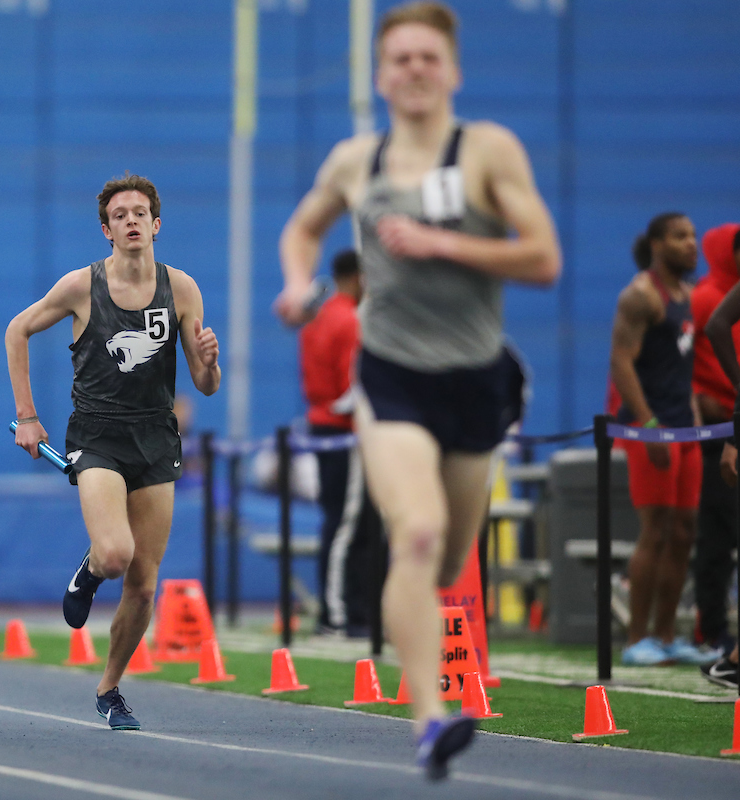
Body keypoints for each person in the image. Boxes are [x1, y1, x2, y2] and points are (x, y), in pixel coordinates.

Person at [274, 1, 560, 779]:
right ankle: (431, 720)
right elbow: (302, 228)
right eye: (399, 58)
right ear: (380, 74)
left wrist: (442, 243)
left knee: (442, 563)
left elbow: (543, 259)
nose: (414, 70)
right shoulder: (354, 161)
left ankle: (425, 666)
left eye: (428, 57)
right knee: (419, 533)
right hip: (391, 374)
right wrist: (299, 283)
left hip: (473, 379)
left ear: (453, 70)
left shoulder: (487, 152)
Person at [5, 173, 220, 731]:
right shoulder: (82, 286)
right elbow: (17, 329)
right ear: (106, 230)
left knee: (145, 581)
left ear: (155, 225)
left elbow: (204, 384)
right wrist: (28, 416)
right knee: (117, 554)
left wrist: (210, 360)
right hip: (98, 434)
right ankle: (91, 567)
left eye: (140, 212)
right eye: (120, 214)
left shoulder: (184, 290)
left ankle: (110, 689)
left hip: (155, 436)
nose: (131, 220)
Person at [607, 212, 713, 667]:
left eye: (692, 235)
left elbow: (681, 369)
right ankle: (635, 640)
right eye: (680, 236)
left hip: (684, 428)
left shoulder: (690, 297)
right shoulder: (640, 296)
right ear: (656, 244)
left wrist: (689, 417)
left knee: (684, 530)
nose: (692, 244)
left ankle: (667, 635)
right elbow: (621, 362)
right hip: (647, 428)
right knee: (656, 530)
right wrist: (649, 426)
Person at [299, 249, 380, 638]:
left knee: (347, 521)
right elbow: (351, 390)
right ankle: (336, 614)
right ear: (360, 276)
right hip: (344, 431)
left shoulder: (318, 318)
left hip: (324, 427)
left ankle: (354, 611)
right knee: (347, 524)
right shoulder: (348, 320)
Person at [689, 223, 740, 660]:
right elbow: (680, 359)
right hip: (716, 432)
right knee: (716, 536)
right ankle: (712, 628)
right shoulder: (705, 299)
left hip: (731, 421)